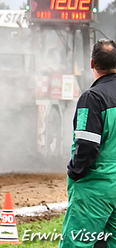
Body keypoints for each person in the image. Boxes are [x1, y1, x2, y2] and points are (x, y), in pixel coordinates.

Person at [59, 39, 116, 248]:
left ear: (91, 63)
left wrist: (75, 172)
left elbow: (88, 145)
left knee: (77, 243)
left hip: (96, 187)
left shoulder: (93, 97)